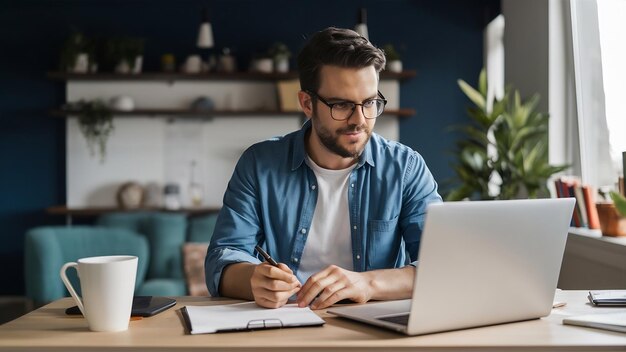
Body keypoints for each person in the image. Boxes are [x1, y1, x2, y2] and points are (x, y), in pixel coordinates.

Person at [205, 27, 442, 310]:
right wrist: (254, 280)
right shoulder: (259, 164)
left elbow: (440, 267)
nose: (359, 119)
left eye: (369, 103)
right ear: (307, 103)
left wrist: (368, 283)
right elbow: (223, 258)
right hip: (286, 324)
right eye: (341, 105)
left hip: (374, 330)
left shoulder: (406, 168)